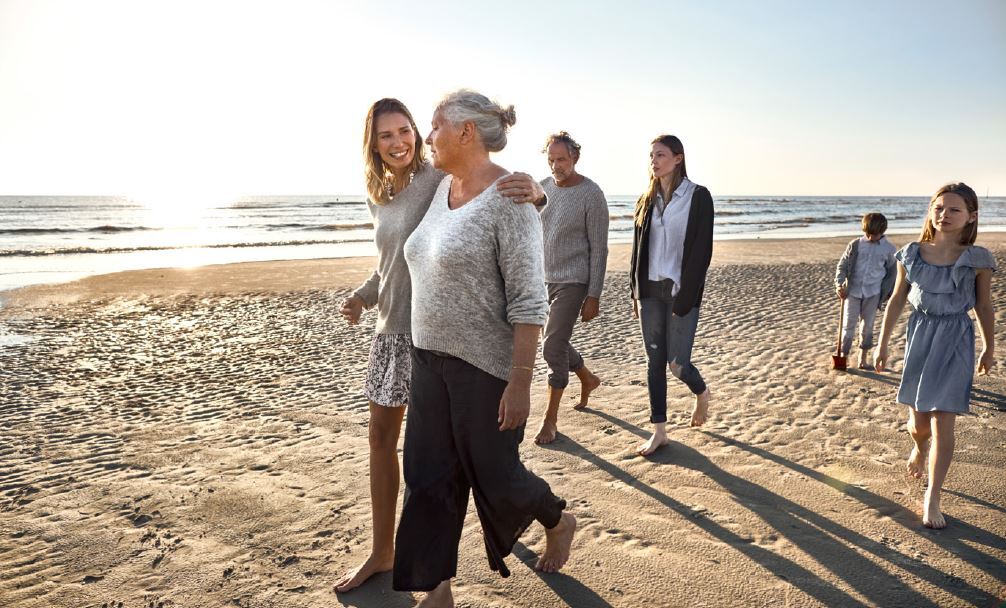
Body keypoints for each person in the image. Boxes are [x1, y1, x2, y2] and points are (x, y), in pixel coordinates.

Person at [335, 98, 545, 592]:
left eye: (406, 130)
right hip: (393, 331)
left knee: (469, 460)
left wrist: (539, 194)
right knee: (389, 445)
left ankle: (538, 516)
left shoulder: (437, 177)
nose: (400, 142)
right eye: (386, 135)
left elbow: (491, 191)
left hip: (438, 338)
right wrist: (363, 296)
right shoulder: (378, 195)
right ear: (373, 143)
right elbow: (391, 264)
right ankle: (386, 552)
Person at [395, 89, 576, 607]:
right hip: (427, 358)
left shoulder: (511, 199)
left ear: (465, 132)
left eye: (434, 126)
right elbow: (389, 168)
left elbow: (529, 300)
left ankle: (557, 519)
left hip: (484, 368)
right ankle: (437, 588)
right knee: (427, 476)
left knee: (496, 477)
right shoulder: (440, 186)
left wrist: (520, 380)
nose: (428, 137)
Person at [875, 182, 995, 529]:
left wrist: (989, 347)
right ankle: (918, 447)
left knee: (944, 421)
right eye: (939, 208)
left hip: (956, 338)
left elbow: (984, 306)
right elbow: (897, 300)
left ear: (971, 216)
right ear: (930, 212)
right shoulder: (912, 253)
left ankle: (933, 496)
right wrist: (882, 343)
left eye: (954, 209)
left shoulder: (978, 259)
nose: (944, 215)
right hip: (920, 337)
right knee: (919, 424)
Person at [629, 134, 713, 457]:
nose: (654, 160)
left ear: (678, 158)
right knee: (654, 363)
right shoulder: (645, 200)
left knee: (678, 365)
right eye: (651, 155)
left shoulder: (698, 197)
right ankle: (659, 431)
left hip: (681, 292)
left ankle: (701, 391)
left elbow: (702, 251)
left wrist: (687, 297)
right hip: (649, 291)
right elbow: (637, 251)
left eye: (660, 155)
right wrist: (634, 292)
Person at [532, 131, 608, 445]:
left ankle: (550, 420)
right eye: (551, 160)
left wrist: (594, 295)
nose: (555, 166)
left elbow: (599, 248)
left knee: (551, 347)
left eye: (561, 159)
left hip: (573, 281)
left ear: (575, 157)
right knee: (556, 342)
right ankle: (587, 378)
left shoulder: (591, 194)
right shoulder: (541, 189)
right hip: (540, 281)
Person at [834, 212, 898, 369]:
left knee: (867, 327)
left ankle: (862, 359)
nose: (870, 237)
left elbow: (892, 272)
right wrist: (839, 284)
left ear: (882, 231)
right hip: (852, 292)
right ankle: (843, 356)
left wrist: (889, 292)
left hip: (873, 293)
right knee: (848, 326)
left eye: (874, 234)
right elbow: (843, 265)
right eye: (868, 233)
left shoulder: (889, 249)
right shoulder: (855, 244)